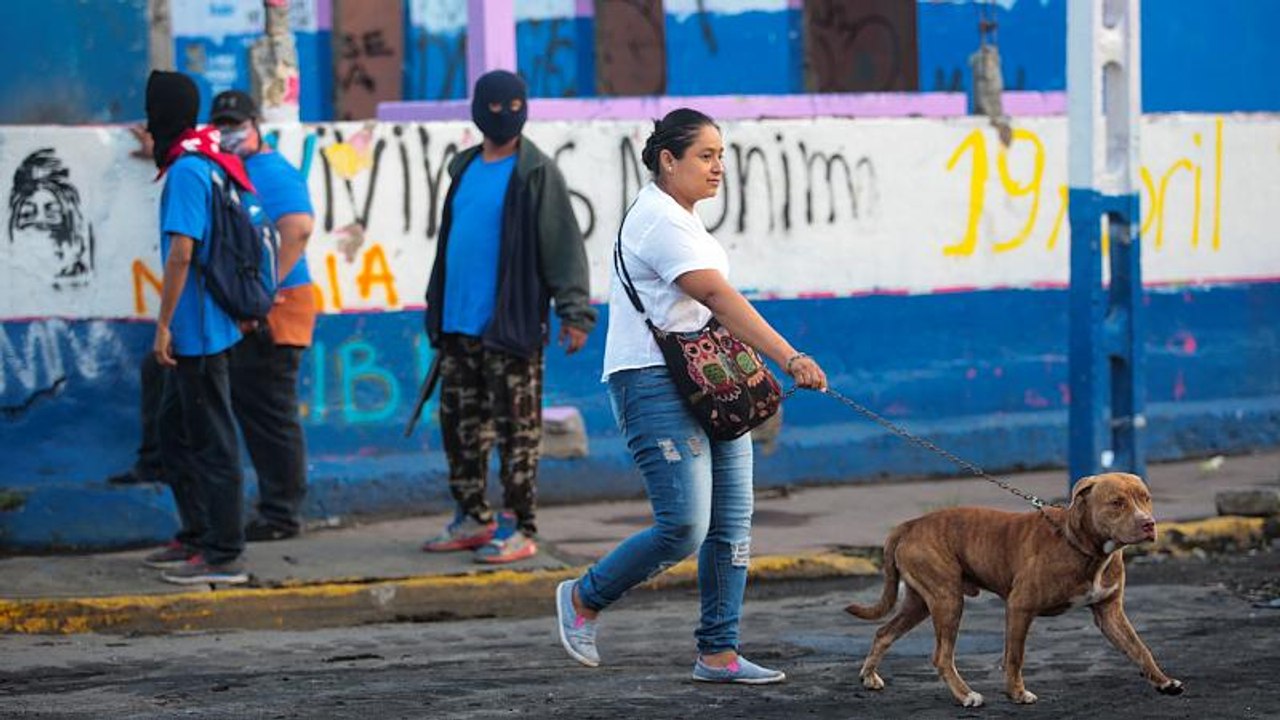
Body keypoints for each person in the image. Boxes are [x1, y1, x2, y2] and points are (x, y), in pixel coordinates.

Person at [554, 108, 827, 683]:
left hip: (710, 382)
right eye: (705, 156)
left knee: (732, 523)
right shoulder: (658, 220)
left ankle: (719, 652)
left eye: (721, 155)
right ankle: (584, 596)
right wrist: (790, 357)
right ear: (667, 160)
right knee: (683, 524)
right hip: (652, 382)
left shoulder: (683, 219)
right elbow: (717, 298)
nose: (718, 167)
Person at [421, 70, 596, 564]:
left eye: (515, 105)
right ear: (478, 109)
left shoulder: (536, 172)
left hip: (510, 327)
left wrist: (574, 312)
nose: (505, 115)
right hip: (457, 327)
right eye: (495, 107)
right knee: (460, 429)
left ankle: (521, 526)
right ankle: (473, 518)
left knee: (517, 432)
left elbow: (563, 245)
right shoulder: (464, 167)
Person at [140, 70, 269, 585]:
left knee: (212, 441)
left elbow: (182, 253)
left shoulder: (188, 171)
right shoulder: (204, 161)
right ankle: (197, 534)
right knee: (173, 433)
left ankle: (224, 553)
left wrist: (163, 325)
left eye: (153, 113)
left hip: (197, 330)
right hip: (202, 326)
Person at [210, 89, 316, 542]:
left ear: (256, 125)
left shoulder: (272, 172)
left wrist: (263, 290)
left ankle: (282, 514)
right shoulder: (237, 168)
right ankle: (277, 509)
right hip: (262, 305)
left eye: (236, 125)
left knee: (271, 414)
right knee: (257, 410)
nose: (229, 133)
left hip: (280, 306)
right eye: (221, 126)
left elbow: (298, 228)